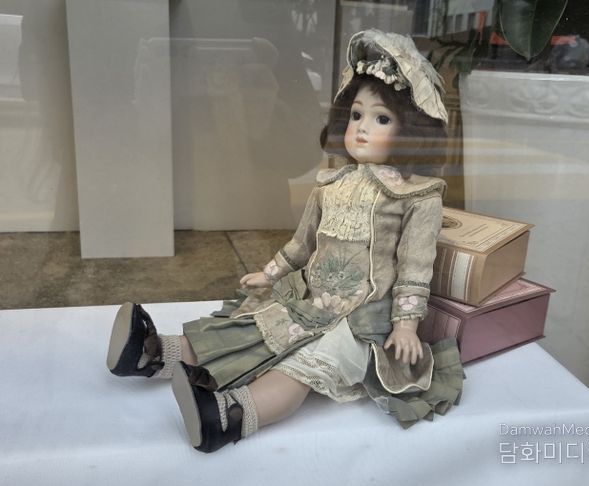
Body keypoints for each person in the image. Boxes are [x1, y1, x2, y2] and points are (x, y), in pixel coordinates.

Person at [106, 29, 464, 454]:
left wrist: (405, 325)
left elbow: (415, 267)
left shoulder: (417, 196)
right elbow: (302, 243)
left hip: (360, 318)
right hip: (311, 298)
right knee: (250, 329)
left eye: (381, 119)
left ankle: (229, 417)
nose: (363, 129)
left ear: (411, 129)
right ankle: (153, 353)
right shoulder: (330, 183)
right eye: (357, 115)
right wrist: (271, 272)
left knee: (300, 368)